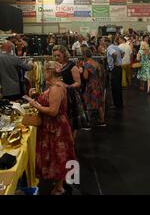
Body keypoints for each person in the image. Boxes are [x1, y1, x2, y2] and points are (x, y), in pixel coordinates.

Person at [26, 61, 76, 195]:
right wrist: (37, 97)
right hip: (55, 126)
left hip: (55, 127)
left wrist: (34, 104)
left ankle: (59, 187)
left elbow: (53, 111)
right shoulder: (56, 85)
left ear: (49, 72)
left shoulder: (55, 88)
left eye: (45, 71)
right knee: (58, 155)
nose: (43, 73)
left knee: (58, 155)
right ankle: (59, 184)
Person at [53, 45, 88, 134]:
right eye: (55, 56)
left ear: (64, 55)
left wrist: (67, 86)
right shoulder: (55, 65)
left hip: (71, 96)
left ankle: (72, 143)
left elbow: (78, 83)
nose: (56, 58)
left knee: (72, 122)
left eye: (58, 55)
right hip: (59, 95)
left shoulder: (72, 66)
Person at [82, 48, 106, 127]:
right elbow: (101, 74)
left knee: (87, 102)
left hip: (91, 85)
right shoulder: (96, 63)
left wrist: (83, 69)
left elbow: (85, 77)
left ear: (85, 55)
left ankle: (88, 122)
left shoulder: (87, 64)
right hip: (98, 84)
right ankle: (102, 120)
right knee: (100, 103)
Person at [105, 38, 124, 110]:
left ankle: (116, 105)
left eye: (104, 42)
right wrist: (120, 60)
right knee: (118, 87)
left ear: (107, 42)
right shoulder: (116, 46)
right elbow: (123, 53)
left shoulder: (109, 48)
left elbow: (114, 54)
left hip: (115, 69)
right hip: (119, 68)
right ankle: (119, 104)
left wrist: (115, 61)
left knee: (115, 87)